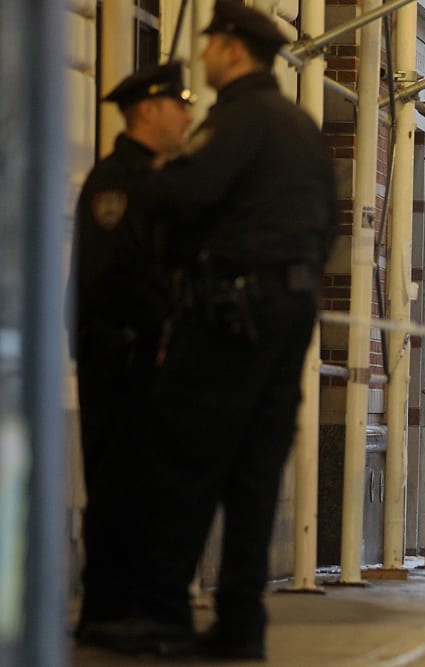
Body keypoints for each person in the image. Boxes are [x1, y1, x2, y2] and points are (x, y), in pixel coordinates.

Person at [93, 0, 338, 659]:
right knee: (256, 473)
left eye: (209, 44)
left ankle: (166, 613)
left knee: (185, 462)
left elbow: (183, 194)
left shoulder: (236, 119)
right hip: (291, 316)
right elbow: (330, 227)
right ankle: (240, 622)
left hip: (231, 318)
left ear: (233, 50)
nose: (200, 56)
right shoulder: (300, 128)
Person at [68, 62, 193, 641]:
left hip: (150, 358)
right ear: (147, 110)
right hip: (120, 358)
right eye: (178, 104)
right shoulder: (117, 181)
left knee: (150, 488)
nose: (187, 115)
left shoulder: (160, 176)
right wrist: (166, 320)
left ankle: (137, 606)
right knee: (119, 486)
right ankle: (107, 611)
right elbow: (112, 277)